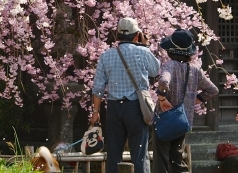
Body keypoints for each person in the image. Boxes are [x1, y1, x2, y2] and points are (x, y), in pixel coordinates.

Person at [91, 17, 160, 173]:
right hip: (135, 107)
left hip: (114, 108)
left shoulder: (106, 55)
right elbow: (156, 70)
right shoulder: (143, 52)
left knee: (114, 153)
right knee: (139, 153)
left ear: (117, 35)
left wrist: (95, 113)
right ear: (137, 35)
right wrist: (145, 44)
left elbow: (98, 88)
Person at [152, 29, 218, 173]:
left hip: (165, 117)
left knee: (161, 159)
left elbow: (163, 81)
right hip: (183, 120)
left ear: (170, 50)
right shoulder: (195, 70)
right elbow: (213, 90)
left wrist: (162, 98)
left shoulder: (170, 65)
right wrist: (198, 99)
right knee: (177, 159)